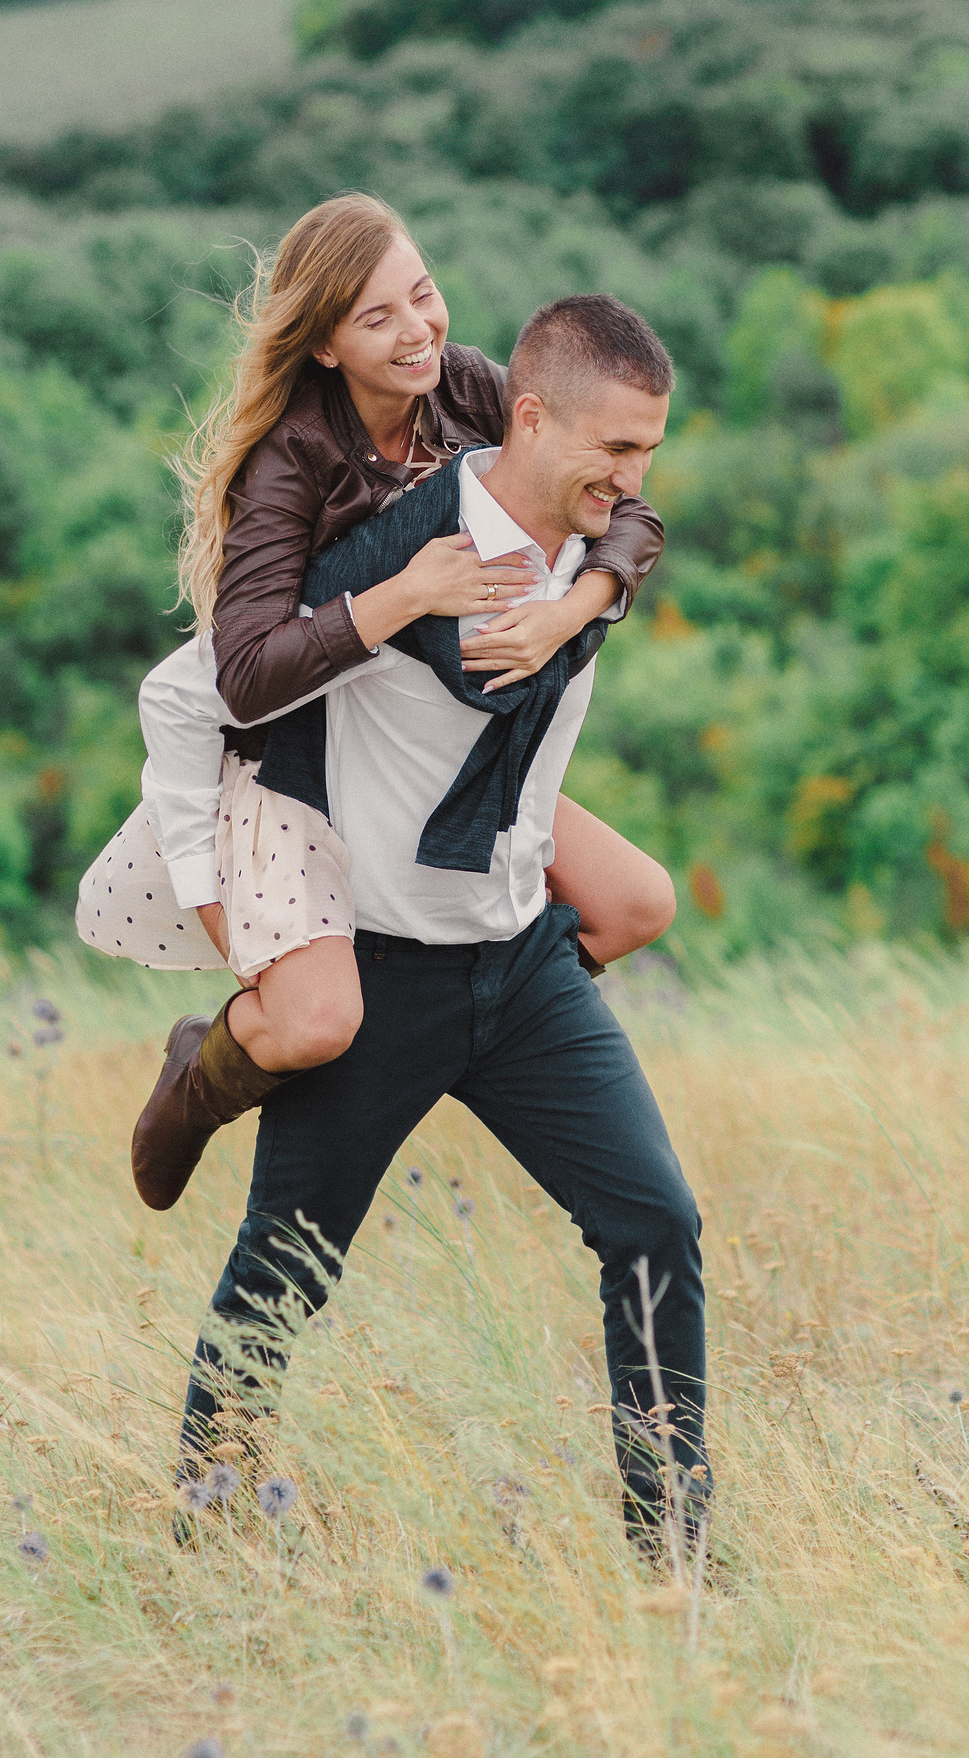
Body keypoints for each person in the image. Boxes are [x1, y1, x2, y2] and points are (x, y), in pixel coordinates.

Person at [133, 293, 710, 1551]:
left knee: (655, 1225)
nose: (635, 478)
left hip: (521, 966)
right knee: (284, 1276)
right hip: (381, 973)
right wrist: (212, 881)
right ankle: (206, 1536)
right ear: (534, 417)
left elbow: (621, 545)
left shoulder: (600, 536)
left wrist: (590, 588)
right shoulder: (393, 559)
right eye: (615, 450)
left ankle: (675, 1550)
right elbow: (211, 682)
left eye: (650, 452)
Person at [76, 193, 673, 1207]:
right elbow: (244, 674)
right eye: (377, 318)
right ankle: (206, 1067)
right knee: (314, 1025)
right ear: (322, 347)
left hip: (421, 756)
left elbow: (621, 499)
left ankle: (468, 1031)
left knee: (633, 906)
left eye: (424, 294)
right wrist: (407, 595)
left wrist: (576, 606)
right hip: (297, 758)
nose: (419, 331)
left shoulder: (474, 387)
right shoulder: (290, 463)